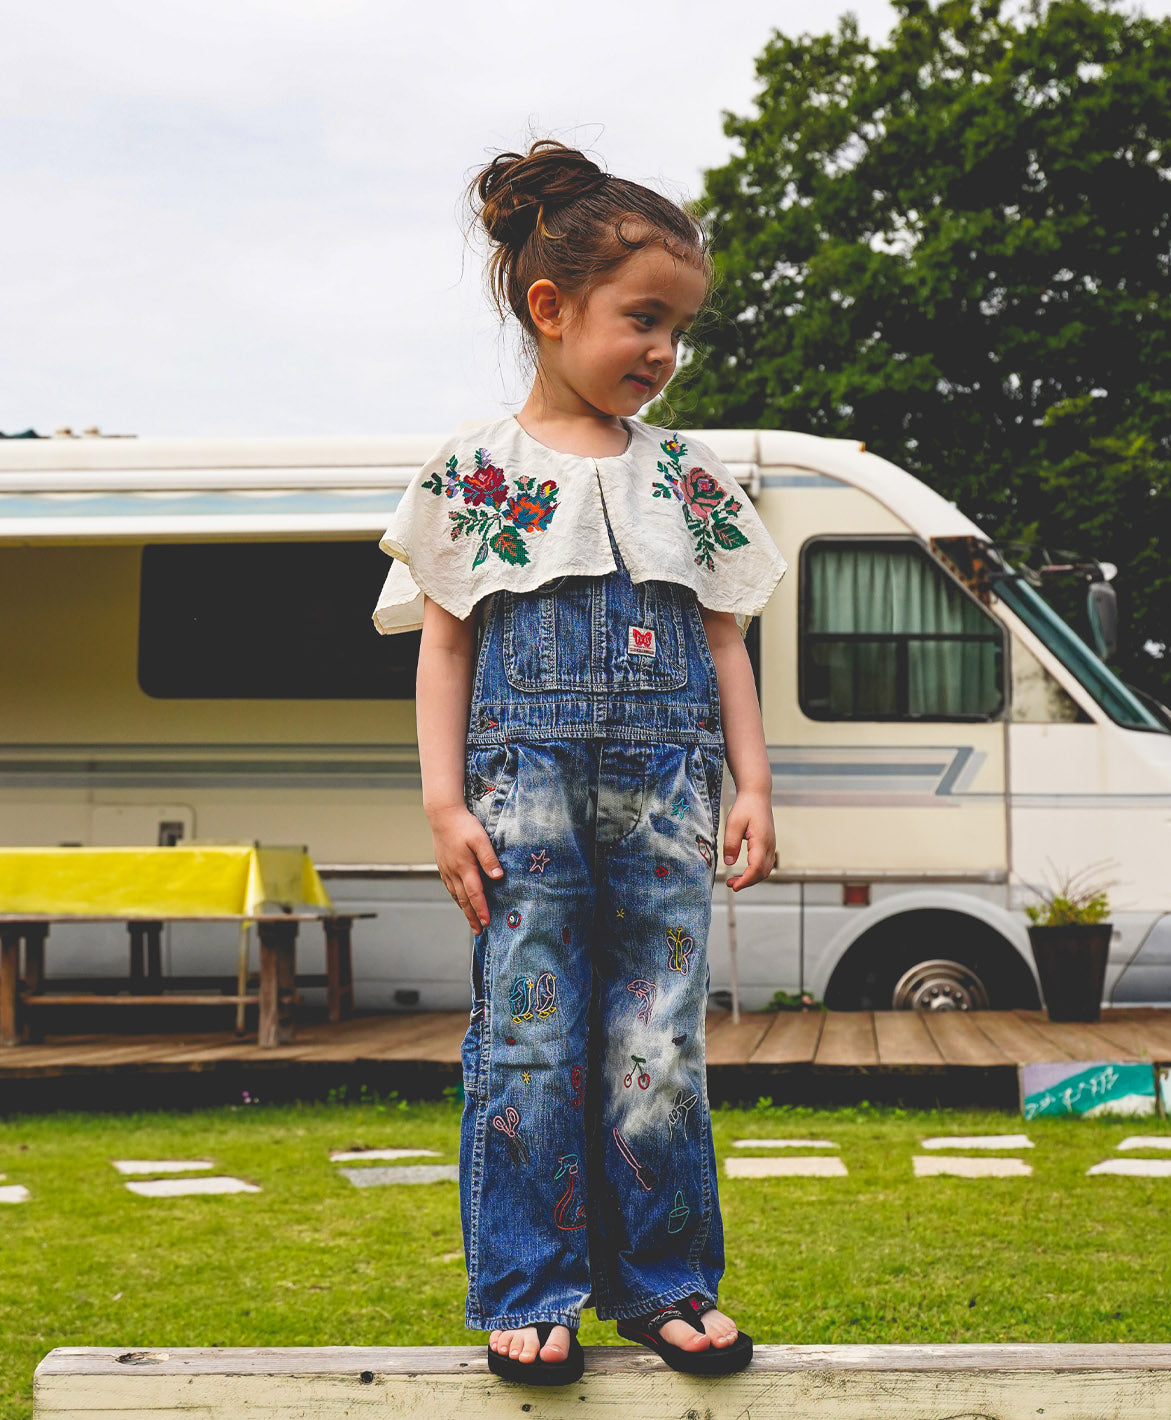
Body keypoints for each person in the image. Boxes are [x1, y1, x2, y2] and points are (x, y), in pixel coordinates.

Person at [372, 138, 787, 1386]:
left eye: (677, 329)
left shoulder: (688, 477)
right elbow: (442, 652)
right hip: (521, 795)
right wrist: (443, 800)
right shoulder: (474, 473)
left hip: (666, 792)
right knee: (531, 1035)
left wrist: (754, 783)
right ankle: (529, 1285)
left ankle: (663, 1283)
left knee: (657, 1036)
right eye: (642, 319)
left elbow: (723, 640)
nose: (662, 350)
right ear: (552, 311)